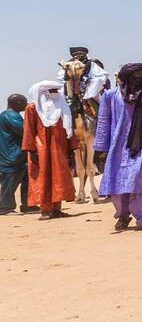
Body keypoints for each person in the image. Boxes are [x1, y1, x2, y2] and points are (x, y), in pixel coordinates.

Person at [93, 63, 142, 231]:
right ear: (126, 78)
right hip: (118, 146)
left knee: (138, 180)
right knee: (118, 181)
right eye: (136, 75)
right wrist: (100, 147)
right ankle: (122, 215)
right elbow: (103, 122)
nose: (140, 79)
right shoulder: (110, 96)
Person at [22, 80, 76, 219]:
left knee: (59, 177)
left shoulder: (62, 107)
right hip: (40, 149)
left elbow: (69, 128)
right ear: (43, 92)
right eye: (51, 91)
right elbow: (29, 130)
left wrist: (70, 149)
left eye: (55, 91)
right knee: (43, 178)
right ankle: (45, 210)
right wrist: (31, 150)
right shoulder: (32, 108)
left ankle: (57, 209)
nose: (54, 93)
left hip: (59, 148)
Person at [0, 95, 34, 215]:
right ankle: (5, 208)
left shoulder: (11, 115)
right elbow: (24, 131)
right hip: (11, 157)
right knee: (10, 183)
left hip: (18, 155)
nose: (26, 105)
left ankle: (28, 205)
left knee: (27, 179)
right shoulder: (10, 116)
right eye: (24, 103)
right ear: (17, 103)